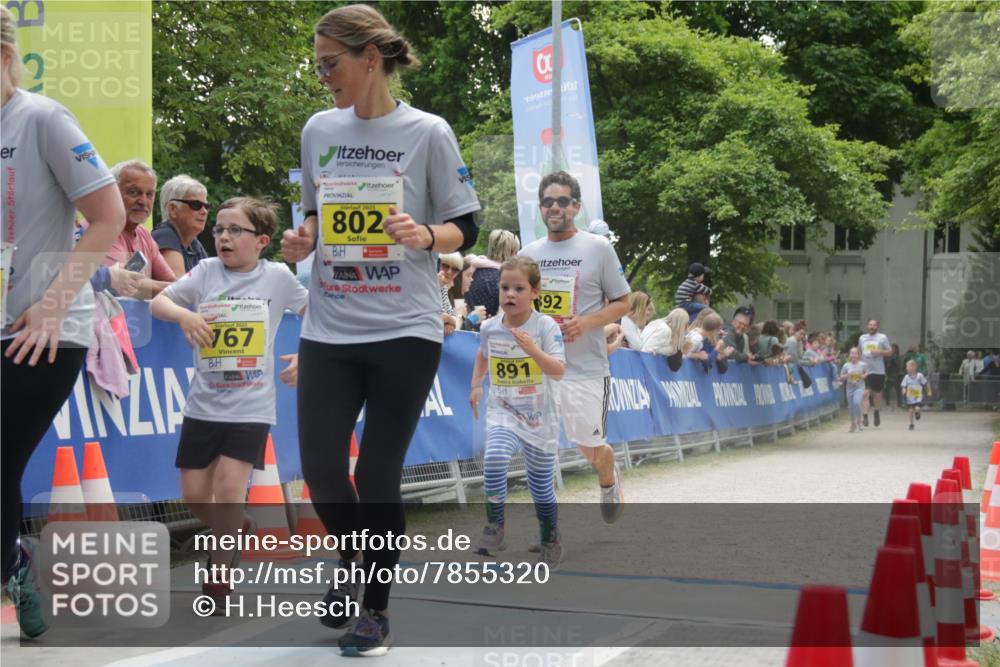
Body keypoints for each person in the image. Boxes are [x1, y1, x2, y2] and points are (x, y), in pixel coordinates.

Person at [280, 5, 480, 656]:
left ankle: (375, 611)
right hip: (330, 325)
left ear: (370, 60)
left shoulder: (428, 132)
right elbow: (314, 218)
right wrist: (301, 238)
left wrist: (425, 233)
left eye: (329, 64)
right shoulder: (318, 130)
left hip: (405, 326)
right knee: (321, 468)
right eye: (316, 65)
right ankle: (354, 559)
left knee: (378, 473)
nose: (322, 77)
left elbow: (464, 227)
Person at [1, 5, 126, 638]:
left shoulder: (42, 119)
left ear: (3, 59)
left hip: (45, 328)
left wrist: (50, 304)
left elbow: (106, 217)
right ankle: (16, 563)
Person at [150, 197, 306, 609]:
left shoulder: (278, 277)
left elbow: (320, 311)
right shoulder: (204, 272)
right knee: (195, 495)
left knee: (228, 488)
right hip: (203, 405)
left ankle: (218, 579)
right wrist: (184, 316)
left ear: (262, 241)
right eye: (219, 229)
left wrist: (306, 355)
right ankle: (238, 526)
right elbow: (158, 301)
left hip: (251, 407)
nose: (223, 237)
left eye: (235, 230)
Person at [520, 170, 630, 525]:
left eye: (563, 201)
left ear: (576, 206)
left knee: (591, 449)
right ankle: (547, 531)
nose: (555, 208)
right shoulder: (528, 254)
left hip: (585, 369)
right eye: (548, 202)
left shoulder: (597, 248)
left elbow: (623, 302)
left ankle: (608, 476)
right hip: (541, 367)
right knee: (537, 450)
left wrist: (585, 323)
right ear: (540, 207)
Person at [469, 257, 566, 566]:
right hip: (503, 410)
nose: (509, 294)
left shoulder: (545, 326)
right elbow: (483, 354)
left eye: (518, 288)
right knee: (495, 459)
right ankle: (495, 526)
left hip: (539, 416)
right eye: (504, 288)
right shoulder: (489, 327)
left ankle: (549, 535)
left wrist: (532, 350)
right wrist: (476, 385)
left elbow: (559, 370)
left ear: (535, 292)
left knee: (540, 486)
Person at [102, 159, 177, 297]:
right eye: (133, 192)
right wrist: (179, 290)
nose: (143, 201)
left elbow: (171, 280)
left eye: (149, 194)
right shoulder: (101, 228)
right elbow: (124, 283)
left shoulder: (144, 235)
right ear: (113, 192)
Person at [153, 174, 210, 276]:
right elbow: (180, 288)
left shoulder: (194, 244)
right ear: (173, 209)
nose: (204, 211)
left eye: (206, 206)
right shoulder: (164, 236)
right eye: (196, 205)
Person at [465, 229, 520, 319]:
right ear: (512, 252)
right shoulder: (507, 280)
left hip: (468, 326)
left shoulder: (471, 272)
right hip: (495, 328)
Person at [858, 319, 892, 428]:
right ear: (867, 326)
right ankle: (865, 415)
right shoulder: (862, 338)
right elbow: (859, 351)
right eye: (870, 325)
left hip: (878, 371)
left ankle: (876, 411)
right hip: (866, 371)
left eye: (874, 325)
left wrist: (880, 352)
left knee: (877, 395)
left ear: (877, 327)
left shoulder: (882, 337)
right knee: (865, 394)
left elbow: (890, 351)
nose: (872, 327)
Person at [840, 347, 869, 433]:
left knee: (856, 403)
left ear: (858, 355)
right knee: (851, 407)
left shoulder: (863, 364)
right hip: (849, 388)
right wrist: (847, 375)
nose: (853, 355)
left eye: (855, 353)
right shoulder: (846, 365)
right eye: (852, 353)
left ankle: (859, 422)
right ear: (849, 355)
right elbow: (841, 377)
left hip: (859, 387)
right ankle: (853, 423)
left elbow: (867, 372)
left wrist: (863, 376)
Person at [901, 359, 931, 430]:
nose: (906, 368)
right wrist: (904, 390)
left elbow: (926, 383)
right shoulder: (906, 377)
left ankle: (917, 413)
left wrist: (929, 391)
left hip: (918, 397)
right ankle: (911, 424)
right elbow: (903, 385)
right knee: (910, 410)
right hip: (910, 397)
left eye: (907, 366)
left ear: (913, 367)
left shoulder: (919, 376)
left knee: (917, 408)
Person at [884, 343, 902, 409]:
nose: (891, 349)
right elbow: (885, 366)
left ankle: (899, 404)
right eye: (891, 348)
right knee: (887, 390)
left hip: (897, 375)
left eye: (893, 348)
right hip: (889, 375)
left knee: (898, 390)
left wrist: (893, 360)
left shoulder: (897, 357)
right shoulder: (887, 357)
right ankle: (887, 403)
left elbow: (899, 366)